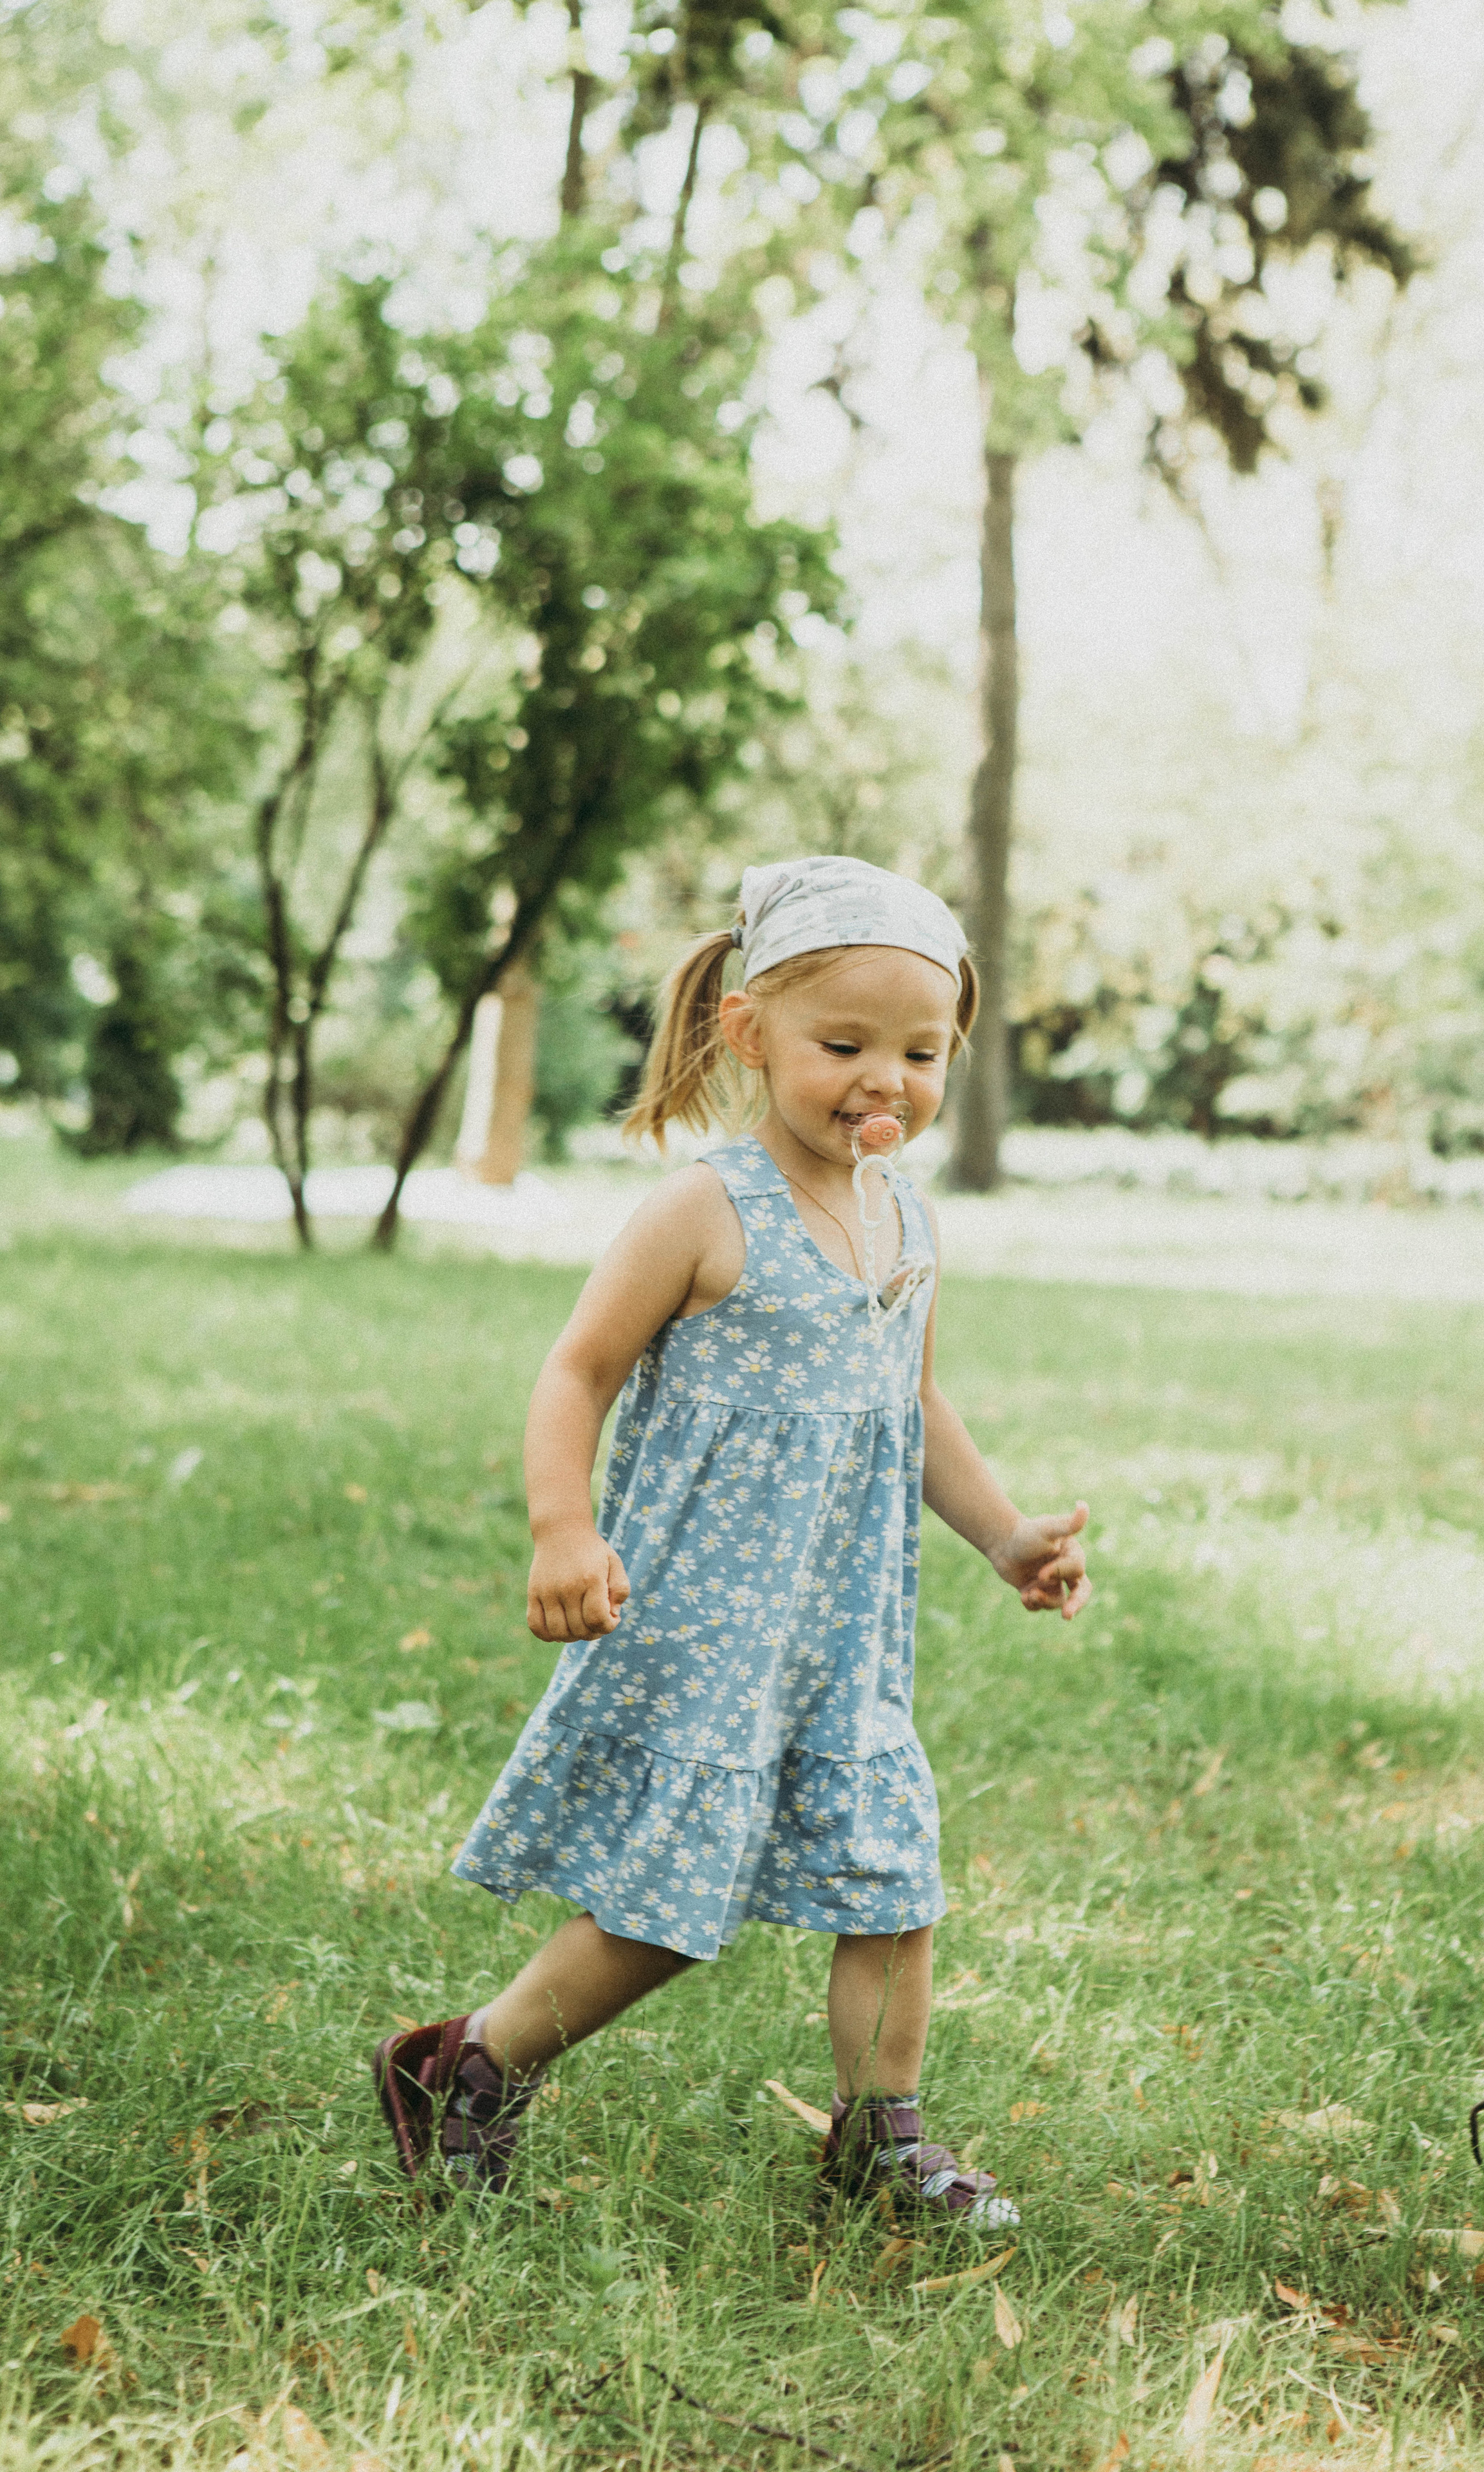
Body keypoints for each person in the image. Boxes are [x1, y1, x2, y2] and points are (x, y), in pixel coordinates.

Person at [374, 856, 1090, 2220]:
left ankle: (879, 2136)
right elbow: (574, 1371)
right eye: (843, 1046)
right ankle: (465, 2062)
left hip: (842, 1633)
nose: (884, 1080)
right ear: (746, 1032)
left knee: (891, 1872)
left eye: (919, 1052)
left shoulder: (905, 1219)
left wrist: (1001, 1538)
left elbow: (913, 1400)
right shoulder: (704, 1209)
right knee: (664, 1907)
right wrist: (560, 1527)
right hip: (701, 1615)